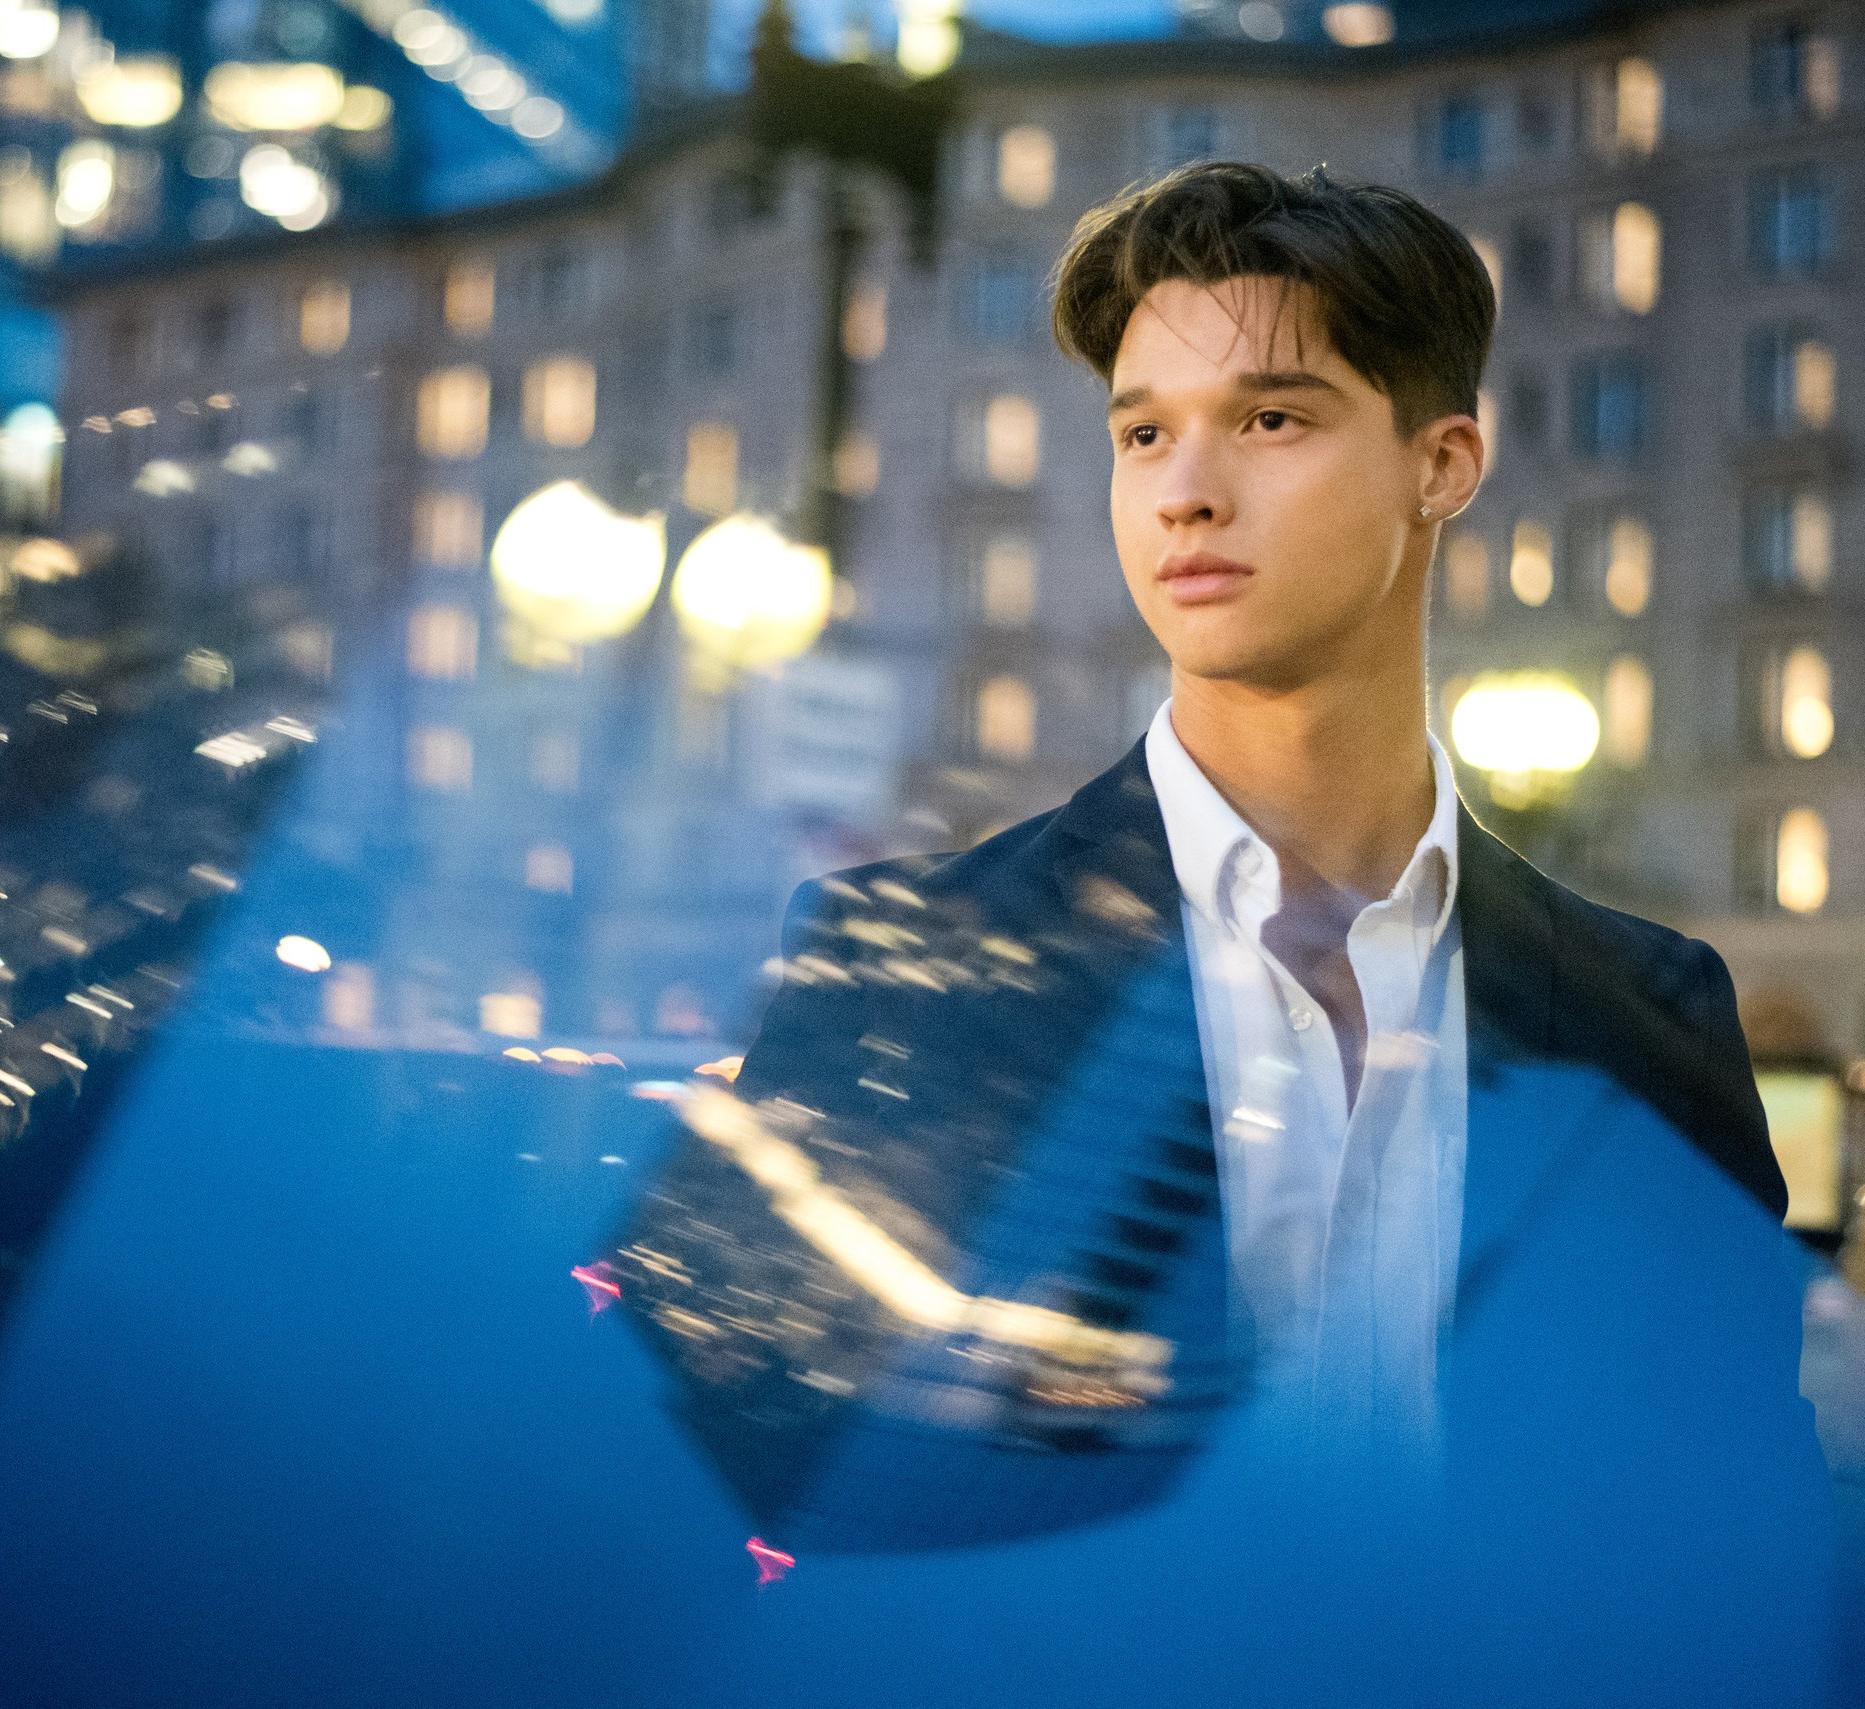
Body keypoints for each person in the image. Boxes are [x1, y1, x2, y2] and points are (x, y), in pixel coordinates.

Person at [609, 162, 1836, 1696]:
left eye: (1270, 418)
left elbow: (1732, 1534)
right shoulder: (902, 965)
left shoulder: (1649, 1006)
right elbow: (738, 1528)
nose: (1185, 489)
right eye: (1143, 432)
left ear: (1443, 462)